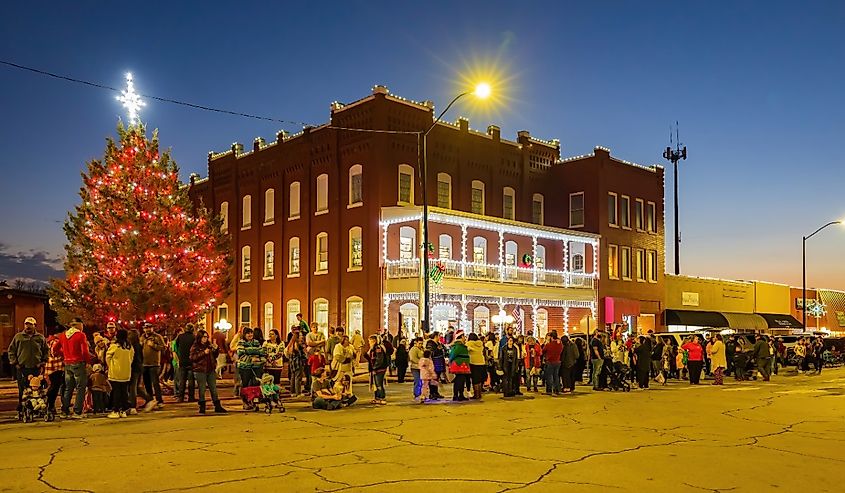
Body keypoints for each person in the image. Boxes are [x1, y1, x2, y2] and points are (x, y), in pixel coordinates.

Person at [7, 316, 48, 416]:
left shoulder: (40, 338)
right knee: (23, 390)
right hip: (22, 368)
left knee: (37, 389)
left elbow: (46, 350)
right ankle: (22, 410)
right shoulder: (18, 337)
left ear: (35, 326)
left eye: (30, 324)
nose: (28, 326)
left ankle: (36, 409)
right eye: (26, 324)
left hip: (36, 368)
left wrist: (43, 362)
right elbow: (11, 350)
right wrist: (15, 363)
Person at [59, 318, 91, 418]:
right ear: (78, 325)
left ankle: (65, 410)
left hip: (67, 363)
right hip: (78, 363)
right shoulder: (81, 335)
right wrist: (87, 361)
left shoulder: (63, 335)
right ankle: (77, 411)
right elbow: (84, 350)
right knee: (80, 387)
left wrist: (63, 355)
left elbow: (54, 348)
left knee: (69, 387)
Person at [190, 329, 228, 414]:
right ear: (199, 337)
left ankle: (217, 406)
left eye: (207, 337)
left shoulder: (209, 345)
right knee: (202, 389)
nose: (205, 339)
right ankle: (202, 406)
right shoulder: (195, 346)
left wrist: (216, 349)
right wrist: (203, 353)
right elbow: (192, 357)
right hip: (200, 370)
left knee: (213, 388)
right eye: (204, 337)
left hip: (210, 369)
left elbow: (214, 356)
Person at [105, 328, 134, 419]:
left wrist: (111, 366)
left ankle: (116, 410)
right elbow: (131, 359)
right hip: (126, 372)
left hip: (116, 372)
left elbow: (108, 357)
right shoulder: (129, 347)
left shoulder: (115, 346)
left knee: (116, 392)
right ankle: (123, 410)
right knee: (124, 392)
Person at [140, 322, 166, 411]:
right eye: (146, 328)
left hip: (154, 364)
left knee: (155, 383)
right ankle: (149, 400)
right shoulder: (142, 337)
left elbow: (163, 347)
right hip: (144, 364)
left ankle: (159, 401)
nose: (147, 329)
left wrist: (153, 345)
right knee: (147, 384)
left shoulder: (157, 337)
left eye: (149, 327)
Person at [236, 327, 266, 393]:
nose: (250, 335)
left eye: (251, 333)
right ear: (244, 334)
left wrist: (260, 360)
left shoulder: (256, 342)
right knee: (245, 384)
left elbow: (262, 353)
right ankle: (245, 399)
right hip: (245, 367)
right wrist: (251, 359)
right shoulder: (241, 343)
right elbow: (241, 354)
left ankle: (254, 397)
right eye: (248, 333)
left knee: (256, 383)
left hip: (257, 366)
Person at [44, 326, 65, 416]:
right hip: (55, 367)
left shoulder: (50, 340)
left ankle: (49, 405)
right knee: (54, 387)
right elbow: (55, 352)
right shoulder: (55, 341)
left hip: (51, 367)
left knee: (54, 387)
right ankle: (49, 405)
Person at [175, 323, 196, 402]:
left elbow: (176, 345)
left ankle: (181, 397)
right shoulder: (194, 337)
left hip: (182, 360)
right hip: (191, 361)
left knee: (182, 380)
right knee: (191, 381)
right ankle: (191, 397)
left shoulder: (180, 337)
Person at [448, 331, 471, 401]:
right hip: (459, 365)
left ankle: (460, 394)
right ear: (461, 337)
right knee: (459, 380)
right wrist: (450, 361)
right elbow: (452, 355)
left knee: (461, 380)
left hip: (463, 365)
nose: (465, 338)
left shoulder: (460, 346)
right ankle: (456, 395)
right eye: (464, 336)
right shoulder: (458, 346)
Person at [365, 335, 388, 405]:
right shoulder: (373, 348)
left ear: (373, 341)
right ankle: (377, 397)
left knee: (379, 384)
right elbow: (370, 358)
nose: (369, 343)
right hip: (376, 368)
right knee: (376, 384)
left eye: (370, 341)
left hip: (379, 369)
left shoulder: (378, 348)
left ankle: (382, 397)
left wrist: (375, 368)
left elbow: (379, 359)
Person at [304, 323, 326, 391]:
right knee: (312, 374)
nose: (315, 328)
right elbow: (309, 343)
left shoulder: (321, 334)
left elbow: (324, 342)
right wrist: (319, 343)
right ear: (311, 328)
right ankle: (312, 390)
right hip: (311, 355)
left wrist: (314, 343)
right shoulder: (309, 335)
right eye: (314, 327)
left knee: (321, 373)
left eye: (316, 327)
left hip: (320, 356)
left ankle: (320, 389)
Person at [286, 330, 307, 397]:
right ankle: (298, 393)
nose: (302, 337)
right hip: (298, 363)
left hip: (292, 363)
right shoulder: (297, 344)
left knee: (293, 377)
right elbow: (301, 354)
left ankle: (292, 392)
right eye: (300, 335)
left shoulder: (291, 344)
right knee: (298, 378)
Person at [466, 333, 487, 400]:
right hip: (482, 362)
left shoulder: (469, 343)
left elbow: (467, 350)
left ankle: (476, 395)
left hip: (473, 362)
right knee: (479, 379)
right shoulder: (480, 343)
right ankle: (479, 394)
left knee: (475, 379)